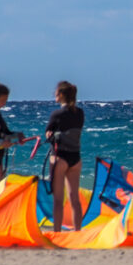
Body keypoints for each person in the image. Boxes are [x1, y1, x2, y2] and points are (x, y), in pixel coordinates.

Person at [45, 81, 85, 232]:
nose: (54, 95)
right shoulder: (79, 113)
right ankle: (77, 232)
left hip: (59, 158)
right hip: (76, 158)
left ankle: (57, 232)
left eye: (55, 92)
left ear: (61, 95)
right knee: (75, 200)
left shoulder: (57, 114)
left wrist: (52, 135)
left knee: (58, 200)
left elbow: (48, 135)